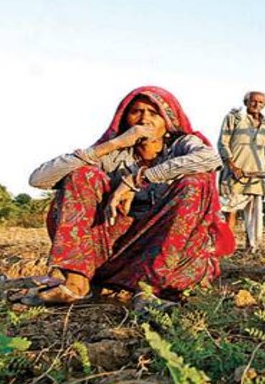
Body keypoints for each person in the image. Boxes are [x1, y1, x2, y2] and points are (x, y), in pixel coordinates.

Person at [27, 86, 235, 305]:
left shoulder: (181, 145)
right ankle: (78, 282)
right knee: (82, 174)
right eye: (136, 112)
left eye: (153, 113)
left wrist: (141, 178)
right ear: (126, 120)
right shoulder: (115, 153)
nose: (144, 119)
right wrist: (113, 144)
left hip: (167, 256)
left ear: (168, 121)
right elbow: (39, 179)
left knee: (196, 182)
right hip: (113, 251)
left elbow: (210, 159)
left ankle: (151, 291)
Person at [217, 91, 265, 253]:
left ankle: (251, 248)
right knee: (230, 211)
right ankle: (226, 248)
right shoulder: (234, 118)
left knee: (254, 215)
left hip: (257, 176)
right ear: (246, 102)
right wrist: (232, 166)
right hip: (234, 174)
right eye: (253, 101)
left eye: (261, 102)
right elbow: (223, 144)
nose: (256, 105)